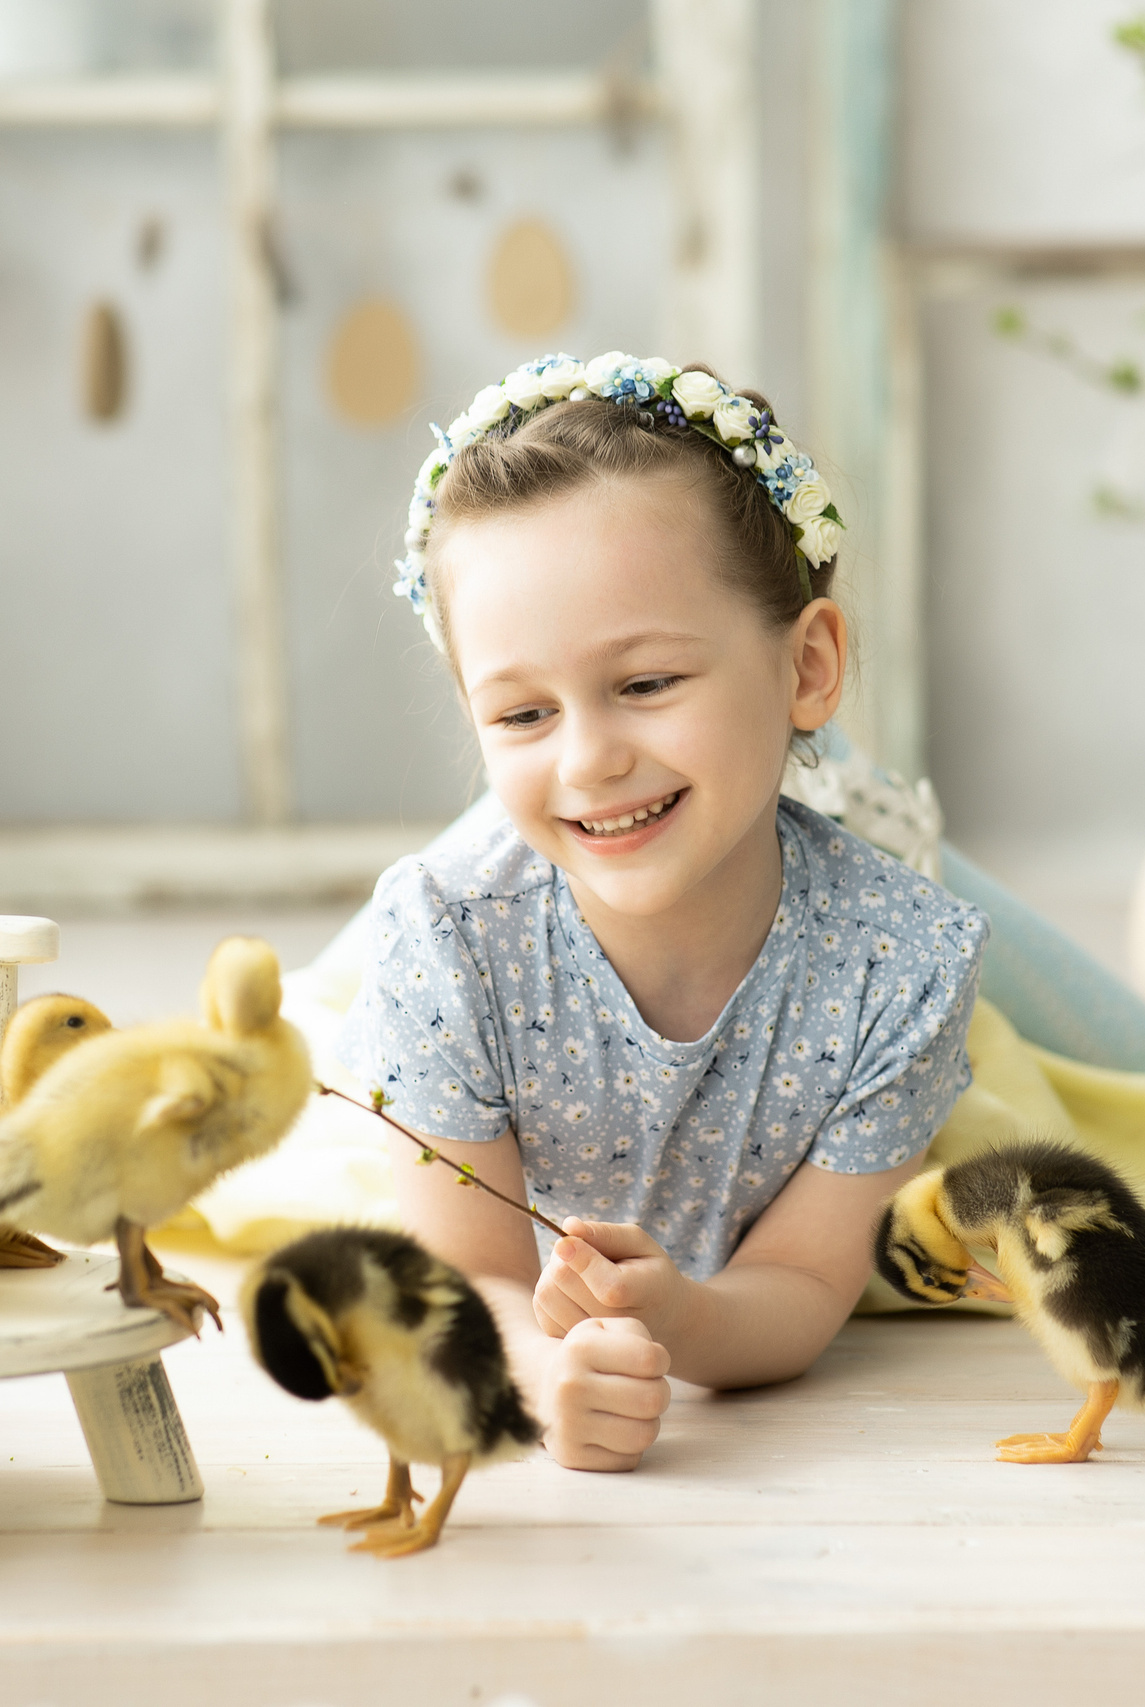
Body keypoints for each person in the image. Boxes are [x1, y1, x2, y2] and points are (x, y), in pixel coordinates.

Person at [336, 354, 988, 1471]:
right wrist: (541, 1374)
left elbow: (802, 1281)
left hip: (824, 857)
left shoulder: (900, 963)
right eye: (523, 712)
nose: (590, 759)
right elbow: (464, 1278)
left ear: (810, 663)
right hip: (482, 919)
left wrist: (682, 1317)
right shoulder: (445, 944)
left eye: (644, 684)